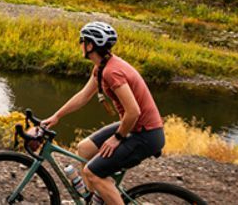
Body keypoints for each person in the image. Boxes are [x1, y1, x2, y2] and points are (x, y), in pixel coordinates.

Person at [40, 22, 164, 205]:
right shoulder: (102, 67)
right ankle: (92, 201)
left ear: (90, 45)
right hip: (135, 127)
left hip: (146, 134)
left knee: (92, 172)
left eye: (82, 40)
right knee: (84, 149)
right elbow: (83, 96)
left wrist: (117, 138)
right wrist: (57, 116)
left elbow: (133, 111)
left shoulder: (112, 72)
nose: (80, 44)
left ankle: (103, 189)